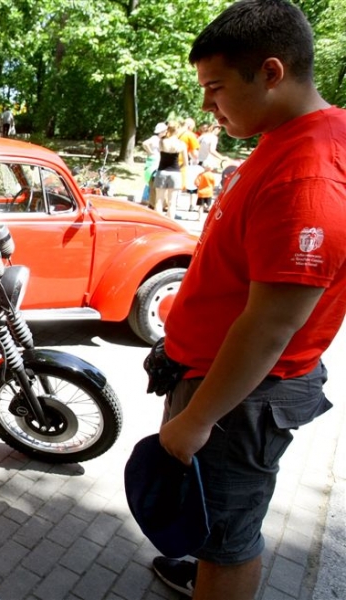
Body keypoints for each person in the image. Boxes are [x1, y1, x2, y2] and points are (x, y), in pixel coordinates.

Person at [145, 2, 346, 600]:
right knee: (211, 525)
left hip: (240, 400)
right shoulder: (288, 138)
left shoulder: (309, 175)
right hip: (216, 382)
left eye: (216, 88)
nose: (208, 105)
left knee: (228, 541)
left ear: (271, 73)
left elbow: (269, 327)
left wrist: (195, 421)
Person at [153, 122, 188, 219]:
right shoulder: (181, 144)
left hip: (162, 171)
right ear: (177, 130)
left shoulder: (162, 142)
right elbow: (186, 163)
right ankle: (170, 222)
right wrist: (178, 167)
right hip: (175, 172)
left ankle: (158, 222)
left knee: (159, 200)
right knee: (172, 202)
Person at [141, 122, 167, 206]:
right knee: (152, 180)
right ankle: (148, 199)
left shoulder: (159, 139)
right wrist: (150, 152)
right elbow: (145, 143)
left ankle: (150, 200)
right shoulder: (155, 138)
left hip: (156, 160)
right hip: (154, 161)